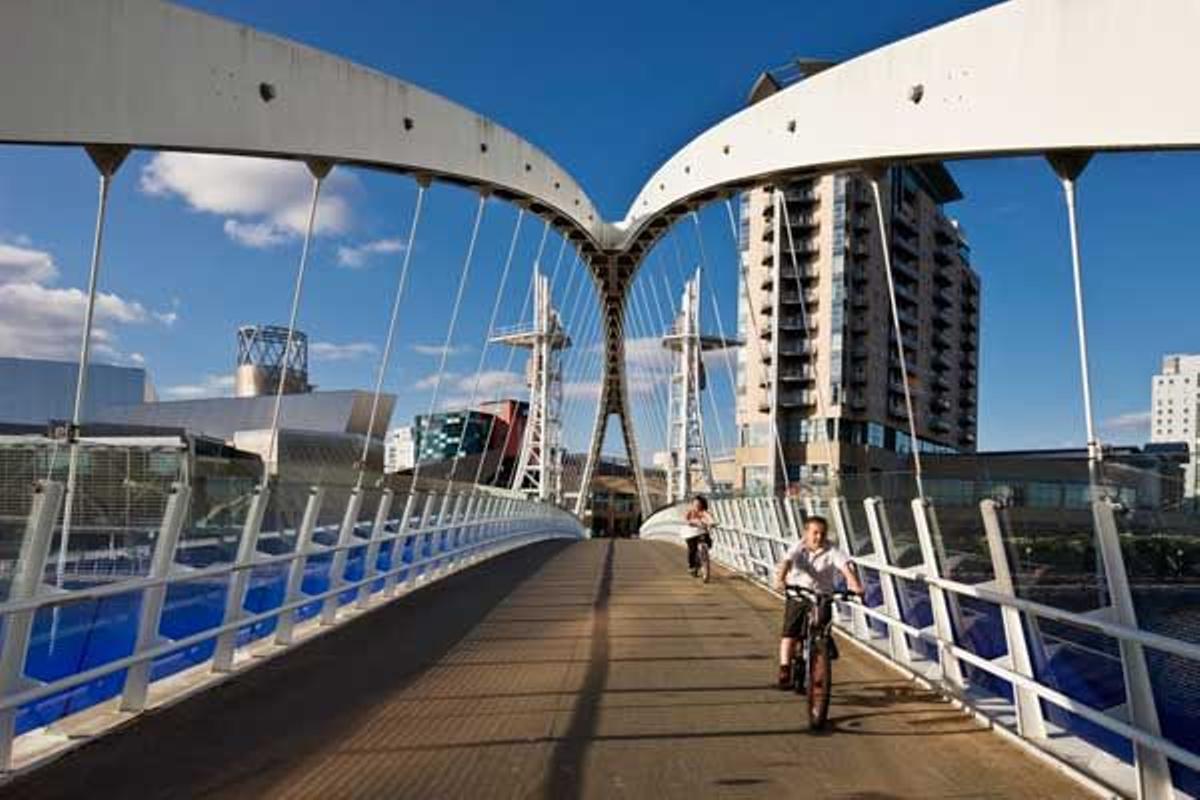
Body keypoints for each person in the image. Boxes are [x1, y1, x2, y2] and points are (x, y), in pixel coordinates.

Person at [773, 515, 863, 689]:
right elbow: (786, 562)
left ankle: (819, 672)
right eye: (814, 533)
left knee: (822, 633)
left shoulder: (832, 550)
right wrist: (780, 580)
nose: (818, 537)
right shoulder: (798, 548)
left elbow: (845, 567)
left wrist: (855, 586)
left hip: (822, 595)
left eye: (822, 533)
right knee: (790, 634)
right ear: (805, 533)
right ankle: (784, 668)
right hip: (798, 593)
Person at [683, 495, 714, 576]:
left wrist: (711, 522)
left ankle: (703, 558)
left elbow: (709, 517)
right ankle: (692, 566)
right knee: (692, 550)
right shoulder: (690, 511)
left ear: (702, 504)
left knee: (709, 544)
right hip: (691, 533)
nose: (697, 505)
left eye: (699, 503)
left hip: (701, 532)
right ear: (693, 504)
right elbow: (686, 520)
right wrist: (692, 522)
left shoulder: (704, 512)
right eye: (695, 503)